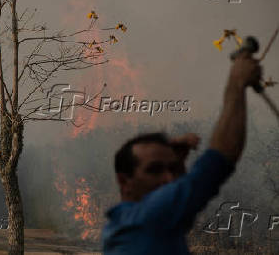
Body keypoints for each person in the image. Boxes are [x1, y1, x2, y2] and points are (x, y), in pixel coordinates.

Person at [102, 51, 262, 254]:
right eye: (154, 170)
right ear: (124, 182)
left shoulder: (124, 224)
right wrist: (237, 83)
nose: (169, 179)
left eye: (173, 169)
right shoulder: (150, 217)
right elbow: (219, 160)